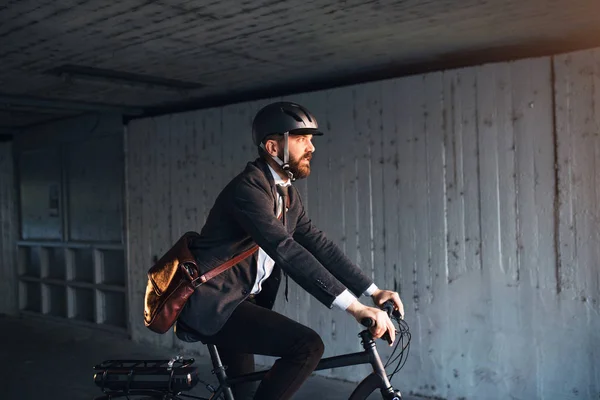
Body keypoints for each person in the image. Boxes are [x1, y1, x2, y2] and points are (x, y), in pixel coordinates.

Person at [175, 101, 405, 400]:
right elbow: (285, 249)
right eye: (300, 139)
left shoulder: (285, 193)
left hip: (241, 302)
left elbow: (316, 242)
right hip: (215, 305)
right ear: (273, 147)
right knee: (306, 346)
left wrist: (373, 292)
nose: (311, 148)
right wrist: (355, 308)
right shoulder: (248, 190)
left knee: (245, 394)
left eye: (310, 140)